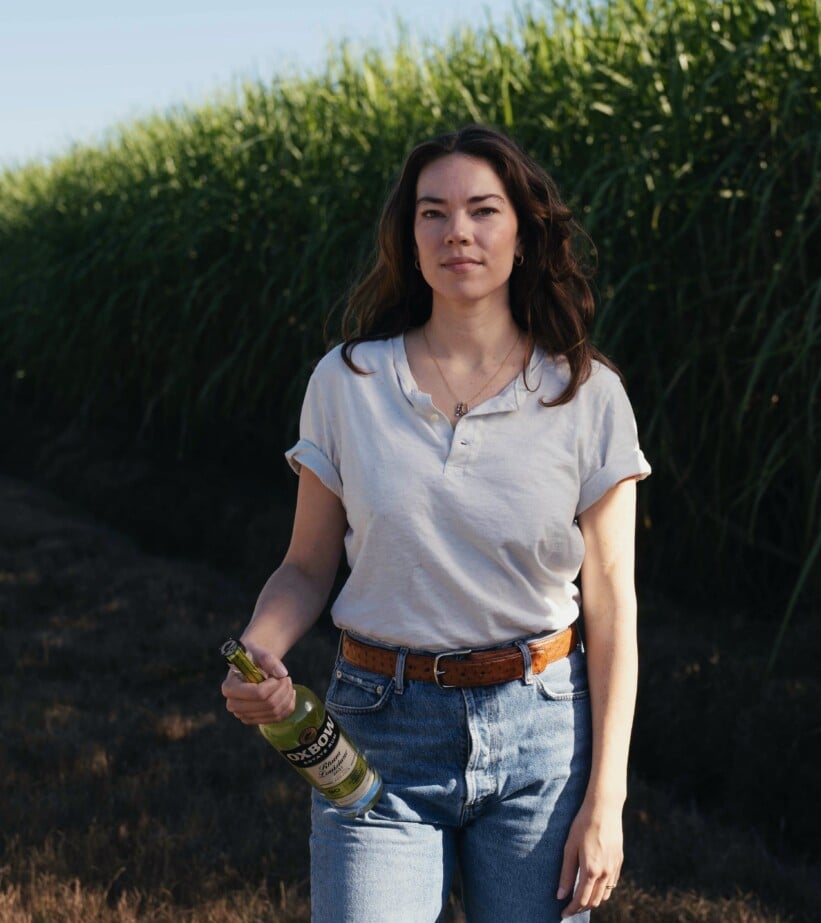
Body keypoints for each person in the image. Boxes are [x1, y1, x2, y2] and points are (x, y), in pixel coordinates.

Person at [221, 124, 651, 922]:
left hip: (542, 741)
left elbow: (613, 605)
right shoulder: (347, 381)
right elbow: (307, 564)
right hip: (379, 731)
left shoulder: (587, 395)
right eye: (433, 212)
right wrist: (260, 649)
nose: (458, 230)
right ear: (409, 237)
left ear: (523, 232)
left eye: (483, 210)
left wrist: (607, 799)